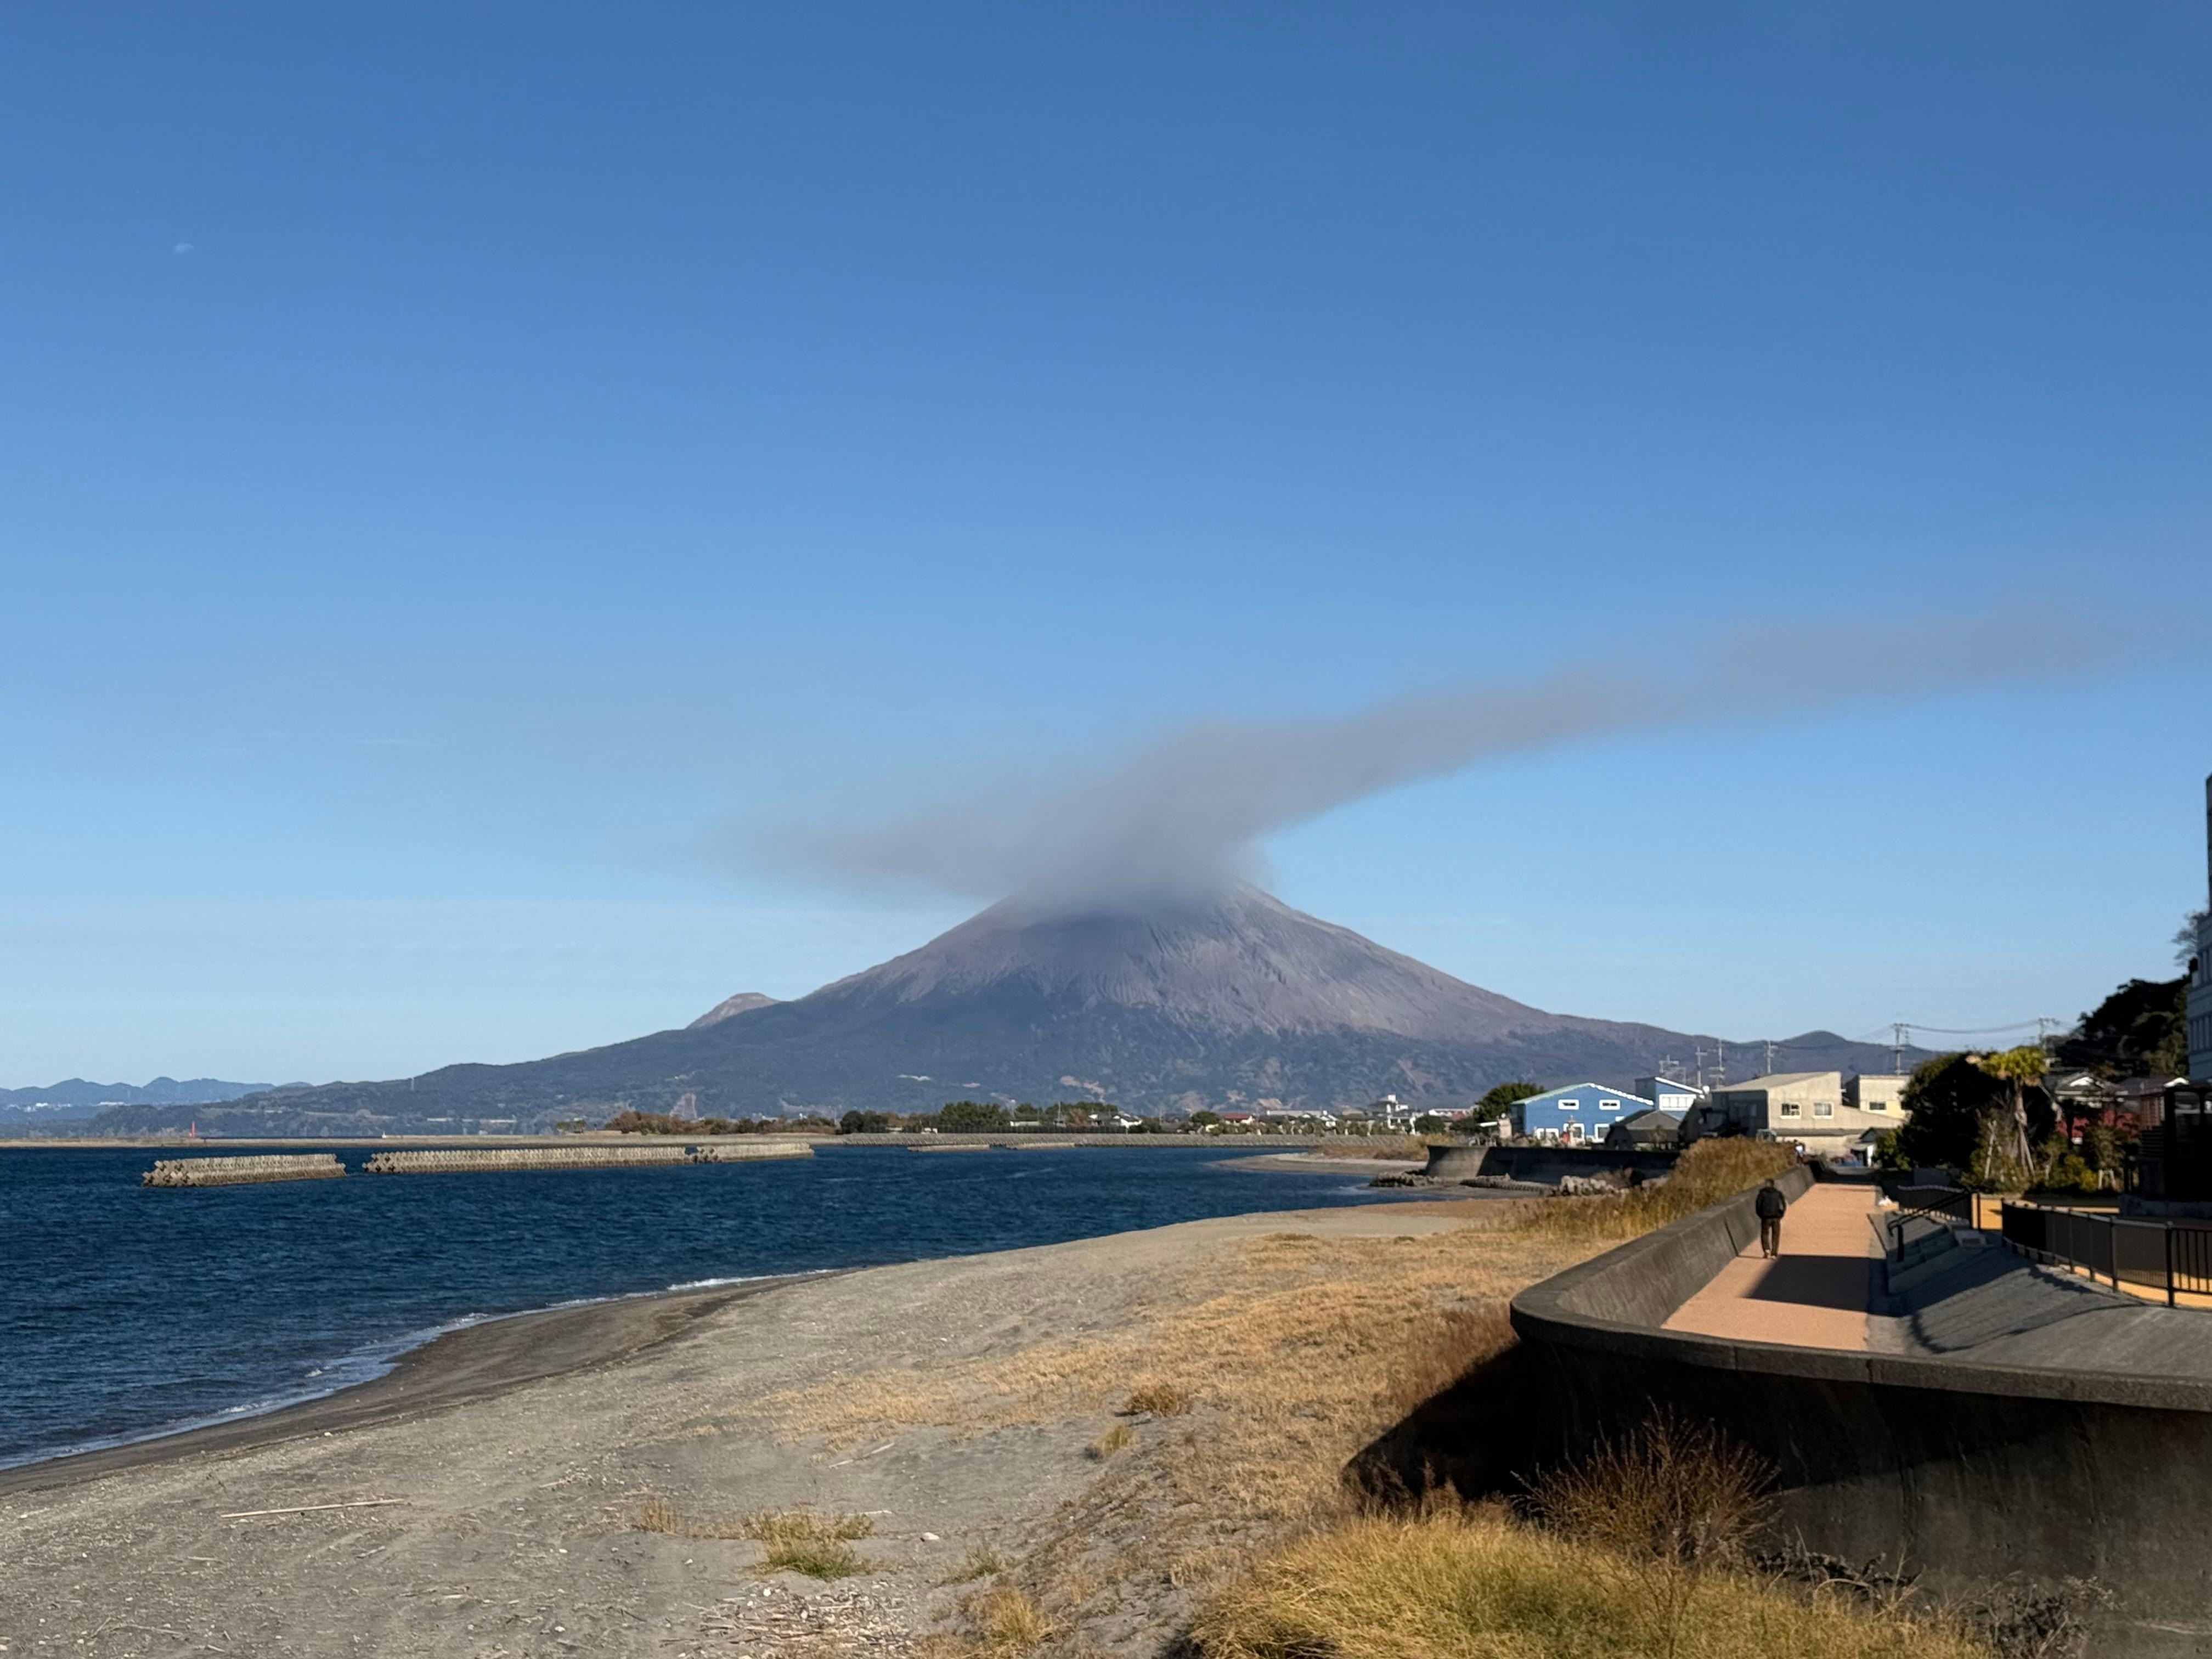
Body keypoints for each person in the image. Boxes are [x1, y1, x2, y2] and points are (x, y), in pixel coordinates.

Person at [1754, 1179, 1787, 1259]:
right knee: (1776, 1235)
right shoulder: (1778, 1193)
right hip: (1776, 1217)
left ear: (1766, 1184)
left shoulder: (1762, 1194)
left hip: (1766, 1217)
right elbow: (1783, 1205)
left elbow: (1758, 1206)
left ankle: (1766, 1249)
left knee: (1765, 1233)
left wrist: (1761, 1215)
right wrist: (1781, 1215)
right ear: (1773, 1184)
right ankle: (1774, 1253)